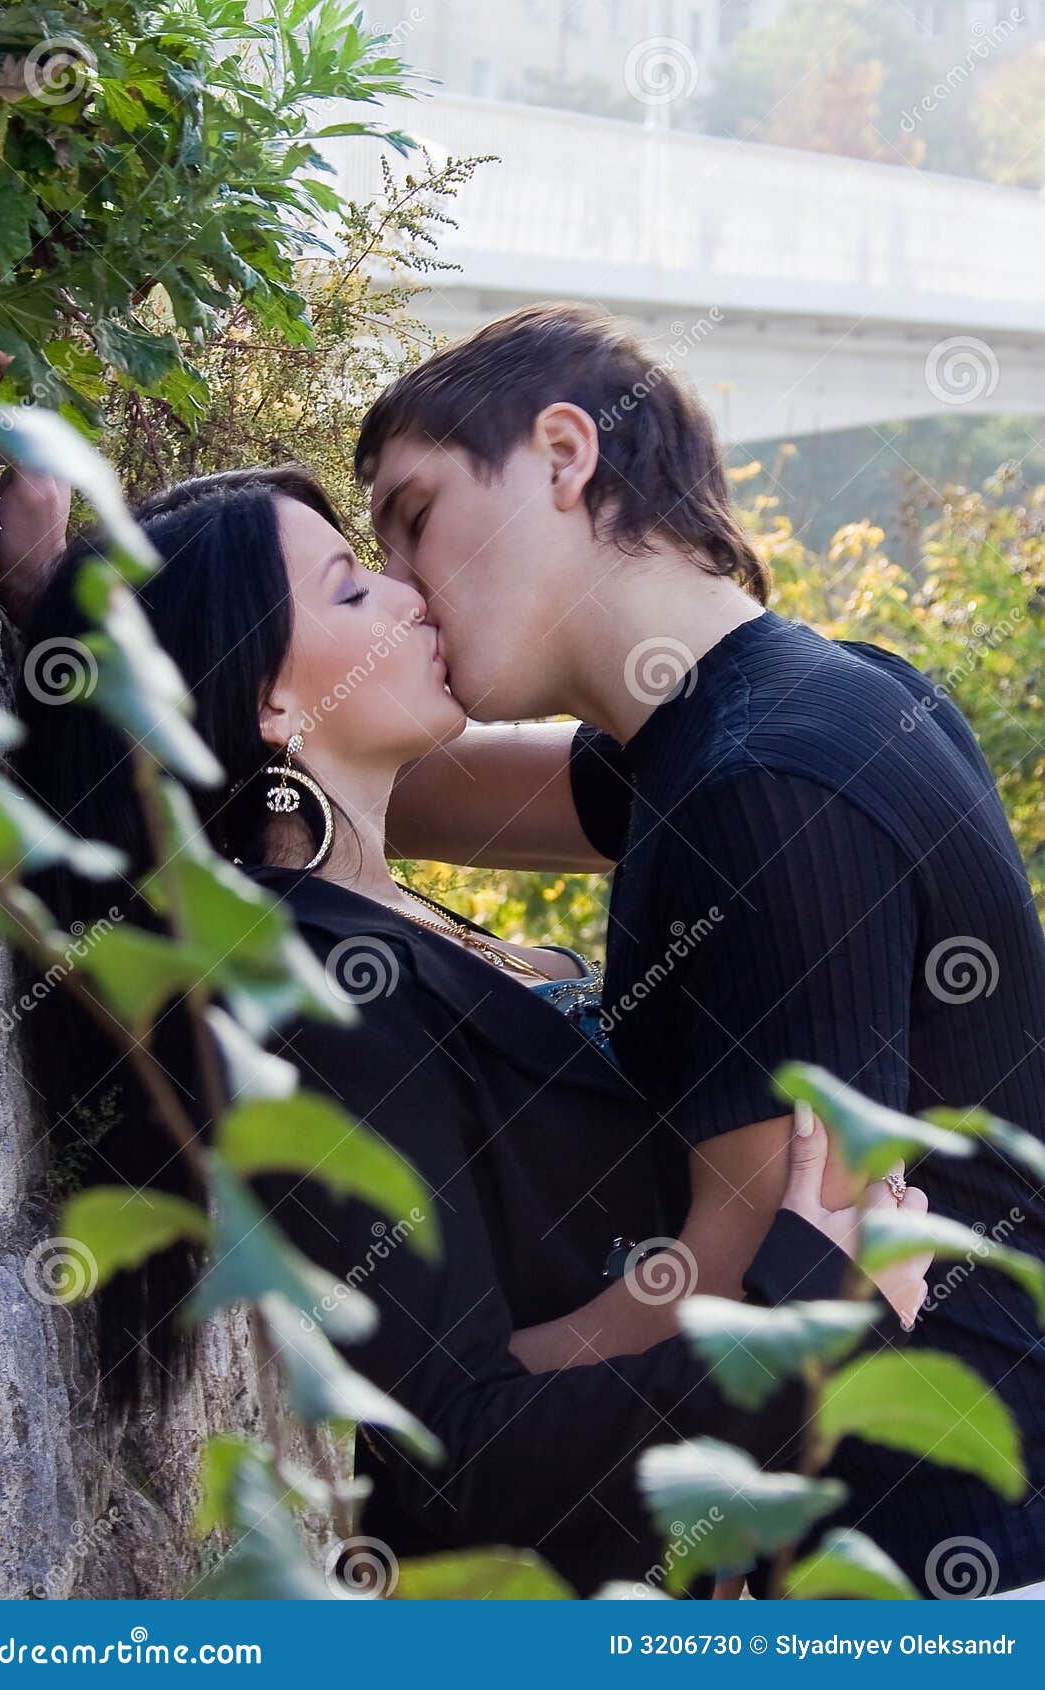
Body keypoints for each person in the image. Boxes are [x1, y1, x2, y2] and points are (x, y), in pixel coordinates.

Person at [5, 465, 925, 1597]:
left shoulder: (369, 914)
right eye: (351, 590)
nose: (410, 595)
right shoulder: (301, 990)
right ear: (268, 704)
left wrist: (59, 601)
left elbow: (694, 758)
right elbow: (457, 1446)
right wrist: (804, 1313)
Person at [353, 303, 1045, 1596]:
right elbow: (423, 792)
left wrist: (428, 1411)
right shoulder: (791, 706)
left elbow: (740, 1282)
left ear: (563, 455)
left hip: (932, 1572)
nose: (400, 580)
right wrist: (210, 687)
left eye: (413, 514)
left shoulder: (759, 788)